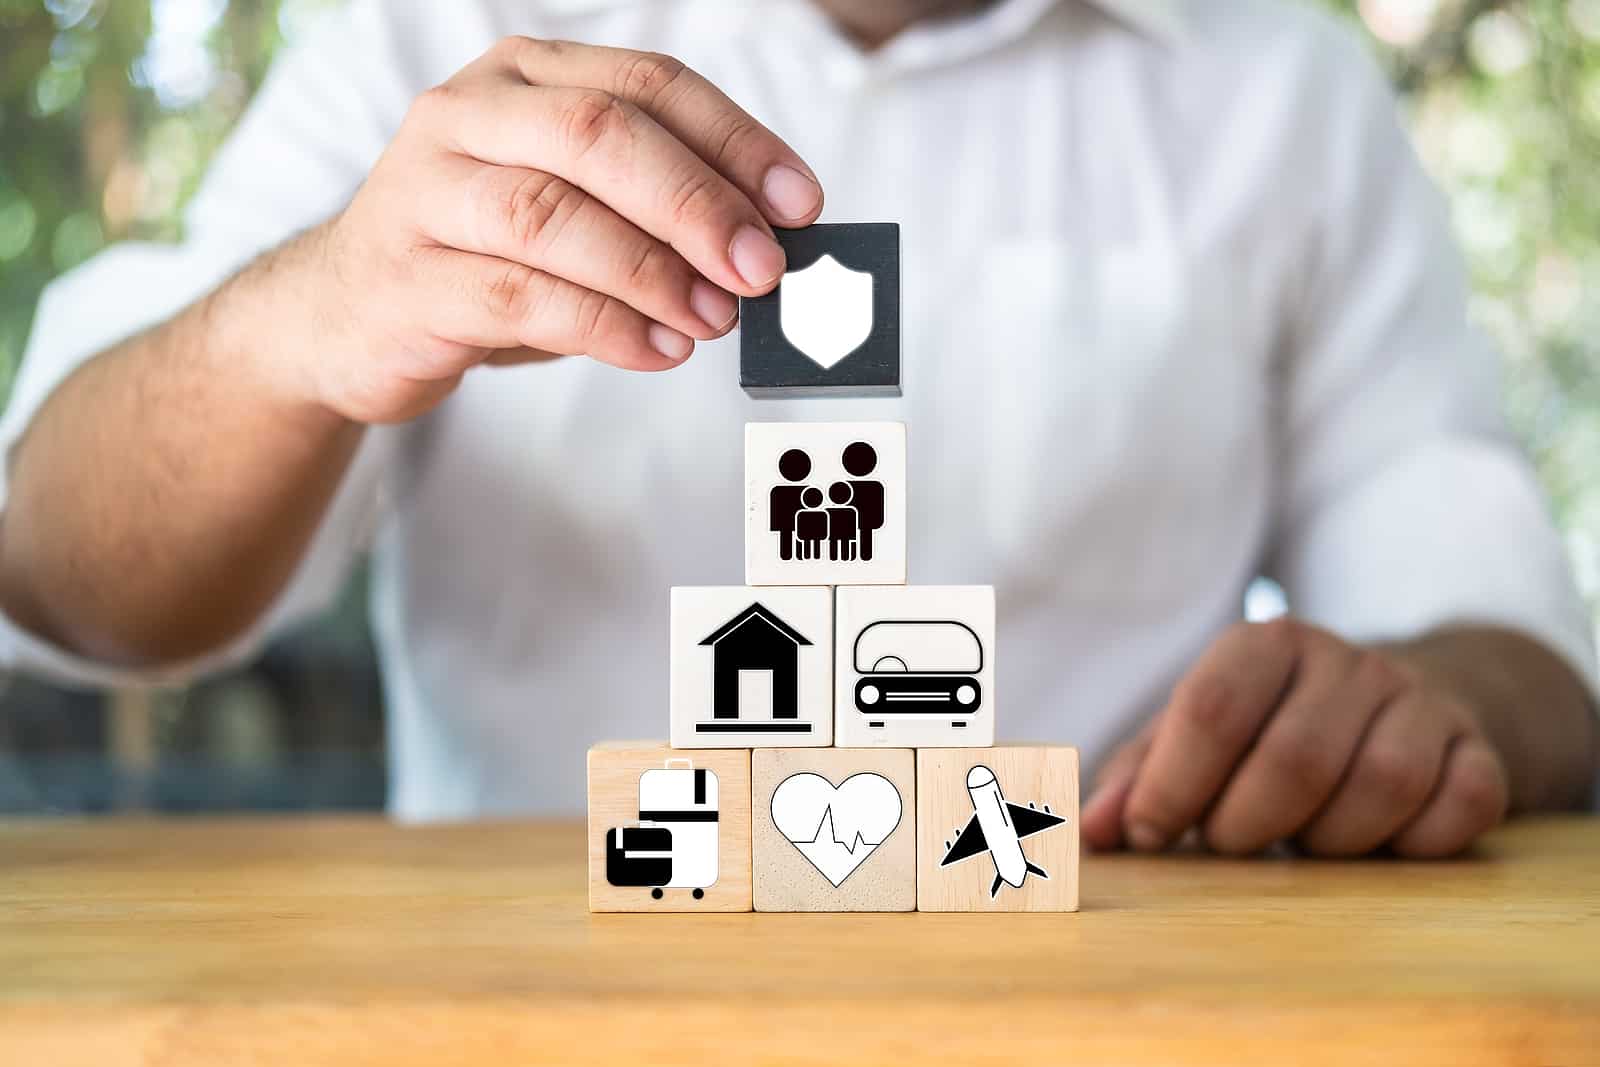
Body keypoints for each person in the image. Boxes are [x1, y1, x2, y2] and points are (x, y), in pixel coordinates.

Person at [0, 0, 1595, 853]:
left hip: (1106, 1005)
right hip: (522, 1016)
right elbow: (56, 571)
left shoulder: (1289, 90)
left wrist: (1430, 698)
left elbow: (1516, 647)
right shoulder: (431, 35)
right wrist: (309, 319)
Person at [841, 441, 884, 562]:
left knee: (860, 549)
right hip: (857, 524)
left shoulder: (849, 486)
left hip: (861, 524)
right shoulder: (875, 486)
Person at [769, 448, 812, 561]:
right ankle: (793, 556)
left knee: (789, 543)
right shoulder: (805, 490)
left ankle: (793, 557)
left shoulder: (777, 490)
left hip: (793, 524)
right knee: (790, 545)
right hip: (789, 524)